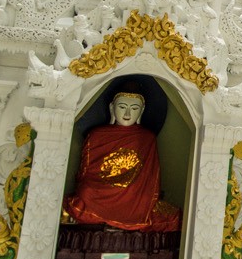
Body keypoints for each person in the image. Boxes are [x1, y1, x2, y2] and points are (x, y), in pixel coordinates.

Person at [64, 89, 181, 232]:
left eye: (134, 108)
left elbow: (151, 178)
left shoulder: (147, 138)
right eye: (122, 107)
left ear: (142, 111)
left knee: (159, 208)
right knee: (85, 193)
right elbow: (85, 173)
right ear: (111, 107)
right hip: (100, 193)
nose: (127, 114)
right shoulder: (96, 135)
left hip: (134, 196)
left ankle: (118, 218)